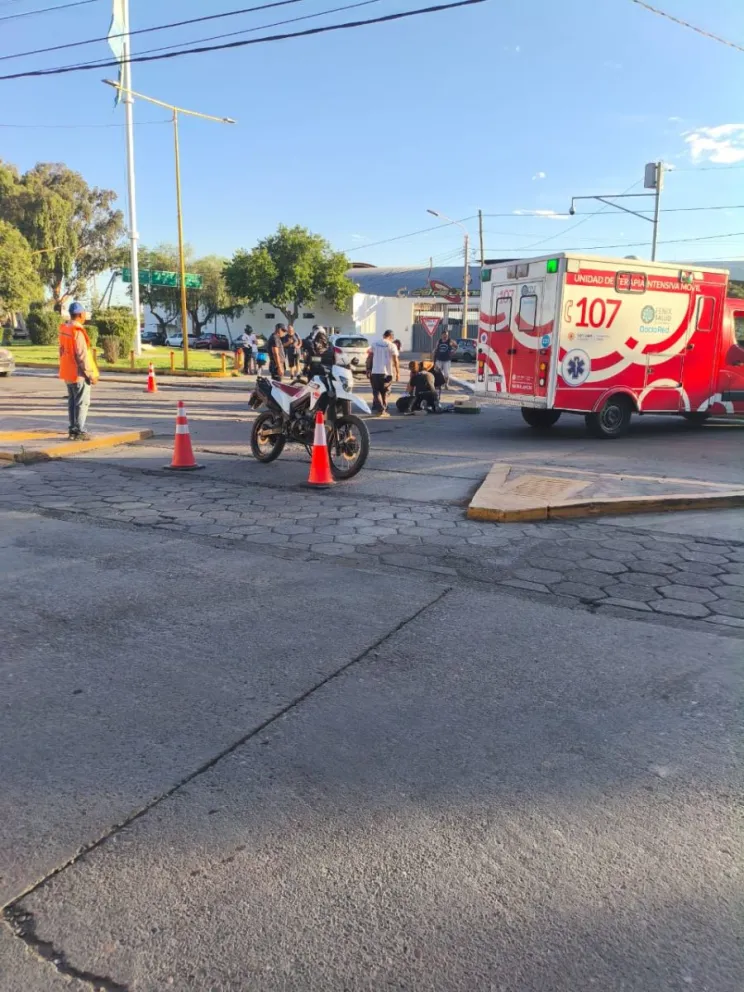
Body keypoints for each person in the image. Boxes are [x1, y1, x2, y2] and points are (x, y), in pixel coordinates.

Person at [58, 301, 98, 440]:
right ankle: (80, 430)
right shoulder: (77, 331)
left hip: (67, 372)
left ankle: (73, 430)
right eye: (85, 313)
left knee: (72, 402)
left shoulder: (64, 329)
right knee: (82, 402)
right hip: (78, 373)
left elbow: (61, 351)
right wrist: (90, 374)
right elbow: (82, 356)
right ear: (81, 314)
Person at [368, 329, 399, 417]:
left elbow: (370, 357)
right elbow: (395, 360)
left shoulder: (374, 344)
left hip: (375, 372)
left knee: (376, 391)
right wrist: (397, 372)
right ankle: (383, 409)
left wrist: (368, 369)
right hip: (387, 373)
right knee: (385, 391)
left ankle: (380, 409)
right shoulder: (392, 345)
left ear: (383, 335)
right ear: (391, 337)